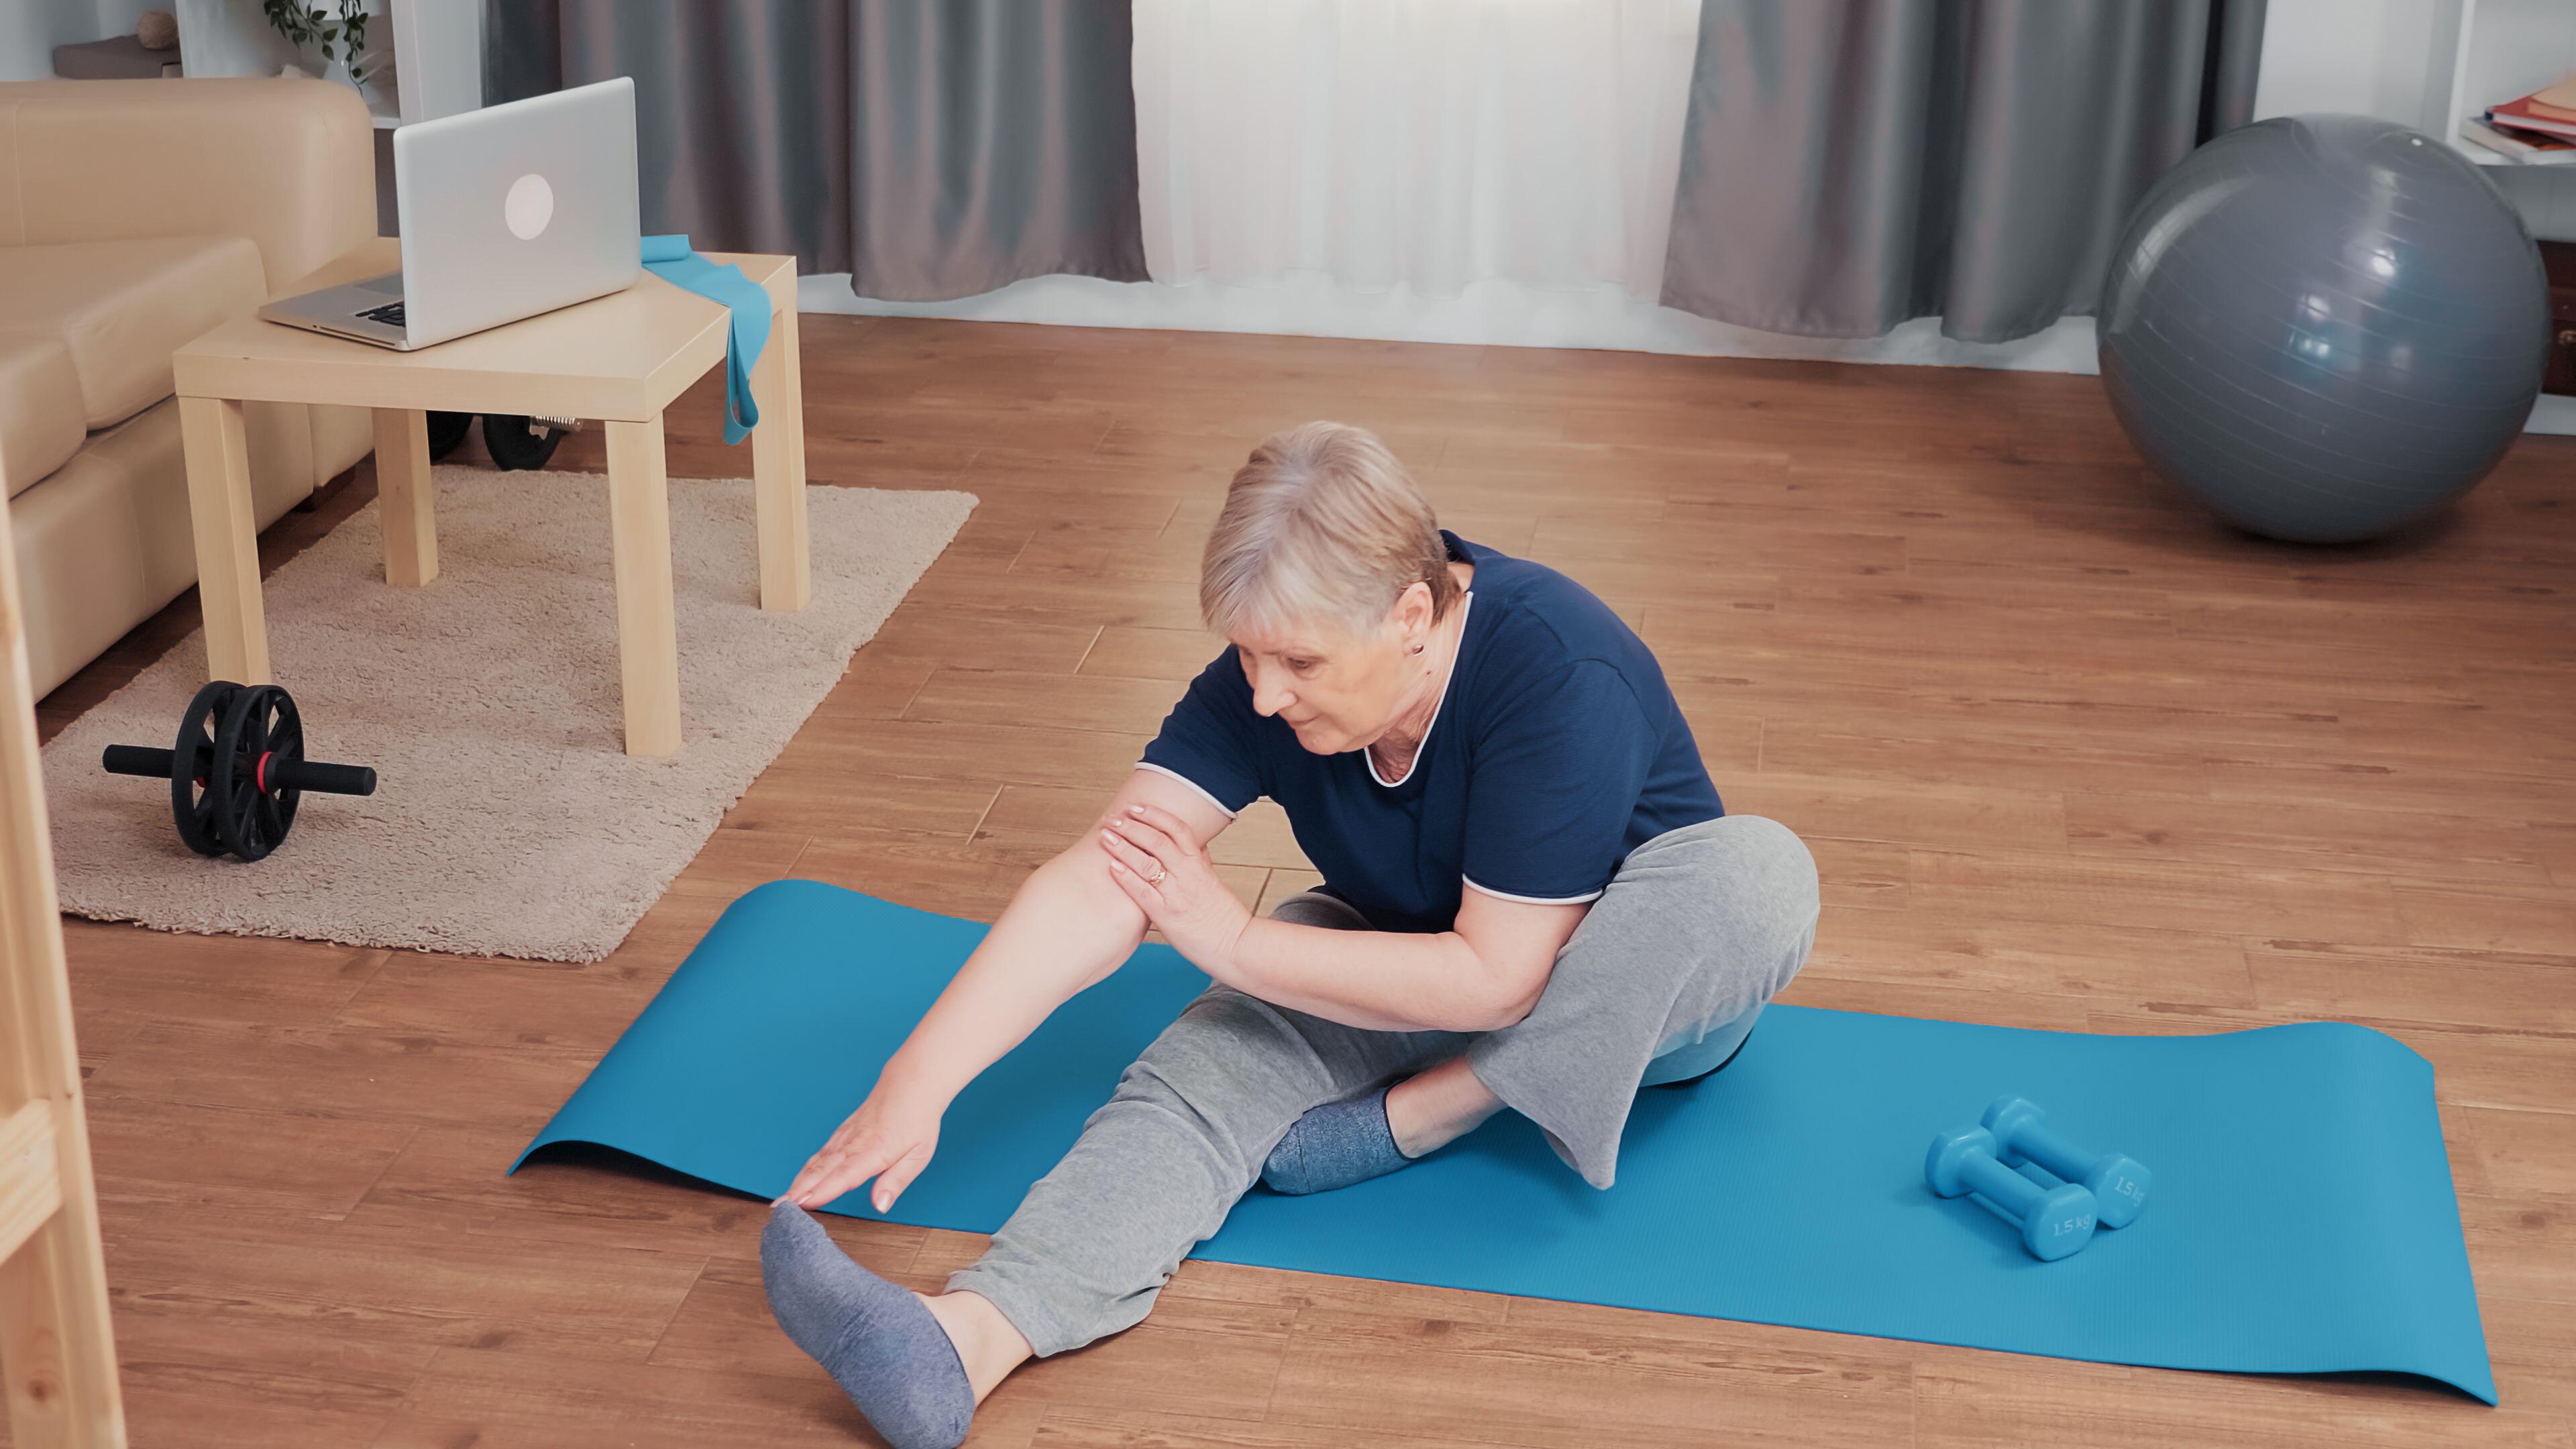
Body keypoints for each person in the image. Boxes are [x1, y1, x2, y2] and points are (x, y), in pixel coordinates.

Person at [759, 422, 1821, 1449]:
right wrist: (920, 1077)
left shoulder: (1558, 667)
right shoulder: (1268, 670)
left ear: (1414, 612)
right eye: (1248, 656)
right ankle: (965, 1342)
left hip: (1629, 995)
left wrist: (1228, 942)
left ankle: (1441, 1111)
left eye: (1300, 664)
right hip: (1401, 952)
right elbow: (1106, 874)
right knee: (1200, 1069)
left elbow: (1501, 980)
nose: (1266, 695)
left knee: (1762, 870)